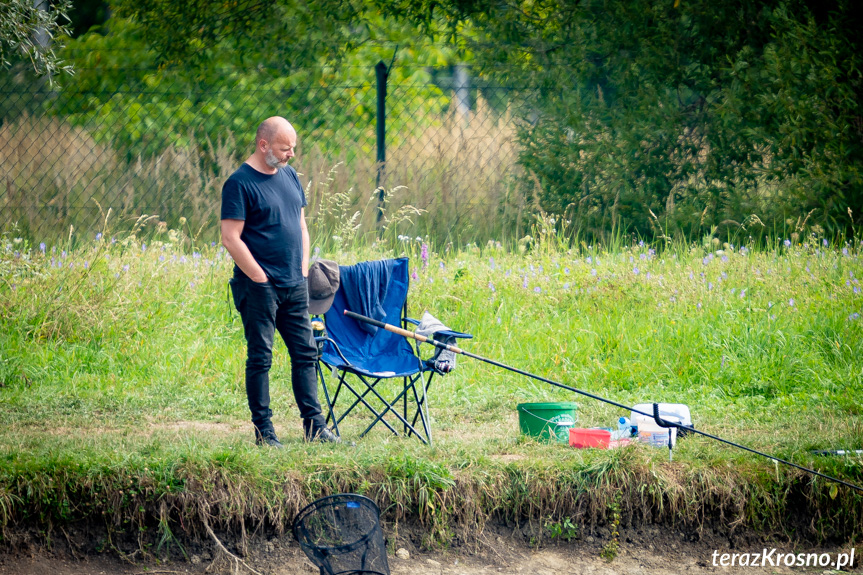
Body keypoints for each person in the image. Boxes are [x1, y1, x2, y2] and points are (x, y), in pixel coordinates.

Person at [221, 116, 339, 446]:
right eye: (285, 148)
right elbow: (230, 238)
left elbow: (300, 225)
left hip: (294, 283)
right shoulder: (240, 183)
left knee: (306, 354)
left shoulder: (289, 176)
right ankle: (265, 433)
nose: (291, 155)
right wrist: (259, 278)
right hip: (259, 287)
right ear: (263, 145)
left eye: (293, 148)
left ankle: (314, 427)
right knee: (261, 357)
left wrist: (302, 269)